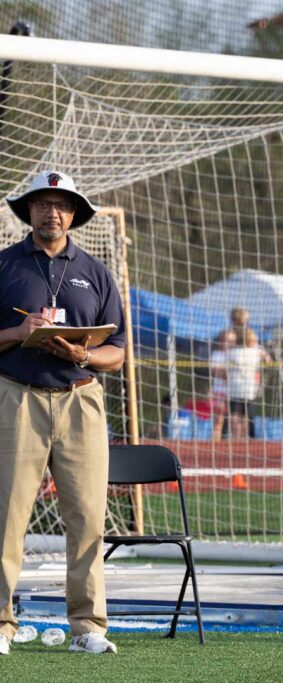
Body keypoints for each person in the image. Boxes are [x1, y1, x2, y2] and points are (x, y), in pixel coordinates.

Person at [0, 170, 124, 654]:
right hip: (16, 396)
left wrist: (85, 355)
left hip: (82, 399)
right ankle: (1, 626)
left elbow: (118, 349)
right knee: (7, 516)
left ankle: (89, 627)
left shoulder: (95, 271)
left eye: (61, 204)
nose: (51, 211)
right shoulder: (4, 266)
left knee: (88, 516)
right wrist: (17, 332)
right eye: (42, 203)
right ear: (28, 211)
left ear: (74, 214)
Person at [225, 327, 269, 439]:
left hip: (235, 389)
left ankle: (236, 437)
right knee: (245, 415)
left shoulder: (232, 352)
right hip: (248, 390)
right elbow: (268, 360)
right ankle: (243, 439)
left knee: (235, 414)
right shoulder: (255, 352)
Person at [209, 328, 236, 442]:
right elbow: (217, 372)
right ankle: (216, 442)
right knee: (218, 420)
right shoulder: (216, 355)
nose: (229, 344)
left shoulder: (236, 354)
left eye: (231, 341)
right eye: (226, 341)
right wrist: (229, 373)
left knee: (235, 420)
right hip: (220, 391)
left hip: (235, 392)